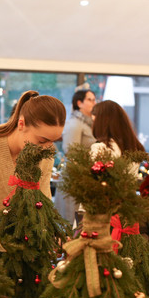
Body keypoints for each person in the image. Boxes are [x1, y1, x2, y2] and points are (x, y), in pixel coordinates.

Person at [0, 90, 66, 218]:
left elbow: (43, 207)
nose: (47, 149)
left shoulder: (44, 156)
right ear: (21, 124)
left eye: (52, 141)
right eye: (42, 141)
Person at [55, 89, 96, 222]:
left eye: (94, 99)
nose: (94, 103)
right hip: (74, 177)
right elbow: (70, 150)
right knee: (71, 217)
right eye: (90, 100)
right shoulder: (75, 123)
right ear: (79, 103)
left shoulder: (89, 123)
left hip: (85, 176)